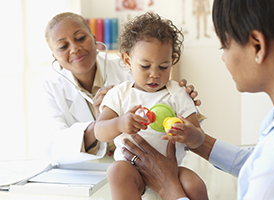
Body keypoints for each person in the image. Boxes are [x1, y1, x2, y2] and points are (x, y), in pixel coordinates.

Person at [122, 0, 274, 199]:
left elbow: (272, 171)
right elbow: (257, 163)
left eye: (224, 46)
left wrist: (167, 186)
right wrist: (195, 138)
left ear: (257, 46)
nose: (223, 58)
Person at [42, 12, 201, 164]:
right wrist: (107, 123)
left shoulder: (132, 66)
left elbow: (186, 128)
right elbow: (53, 146)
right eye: (63, 46)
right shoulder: (50, 87)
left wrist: (182, 98)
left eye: (81, 38)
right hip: (88, 169)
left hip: (150, 161)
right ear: (54, 56)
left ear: (94, 38)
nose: (74, 48)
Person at [94, 13, 208, 200]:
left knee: (195, 186)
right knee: (116, 172)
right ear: (128, 60)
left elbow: (198, 138)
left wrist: (189, 134)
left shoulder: (177, 93)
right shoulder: (119, 94)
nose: (154, 74)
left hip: (171, 169)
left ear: (173, 60)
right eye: (145, 66)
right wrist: (119, 124)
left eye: (163, 67)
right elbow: (99, 131)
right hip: (132, 170)